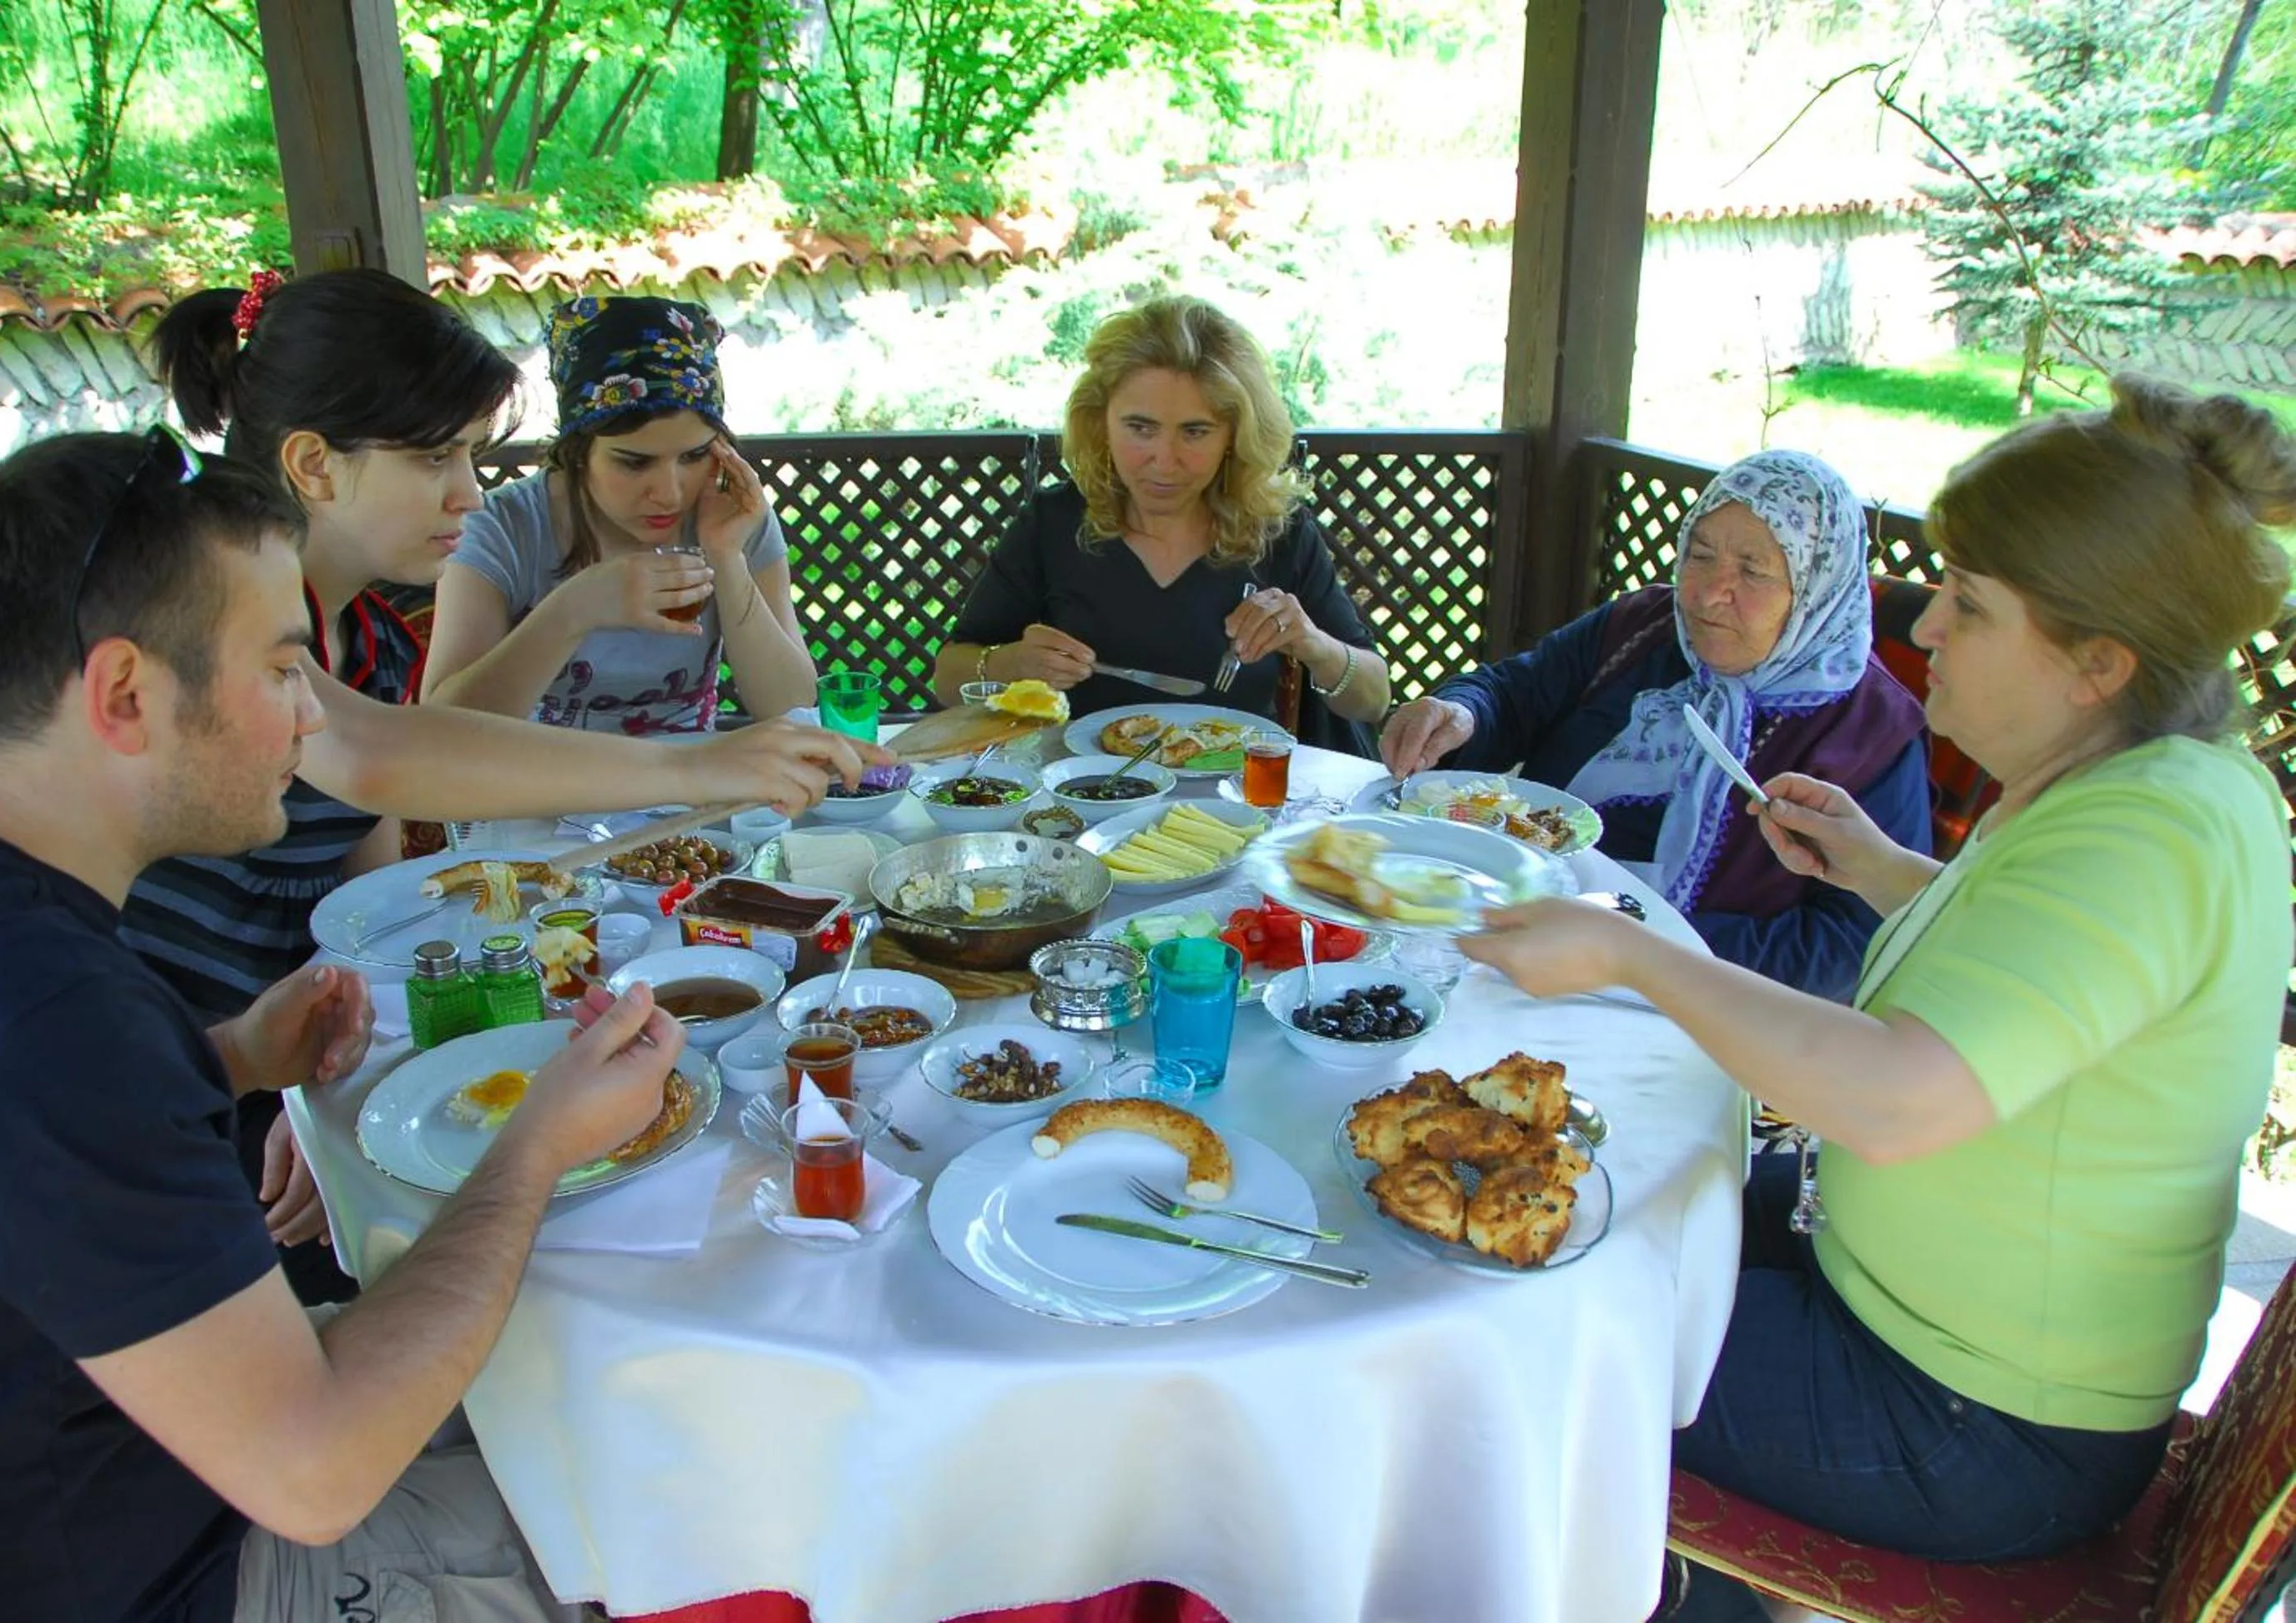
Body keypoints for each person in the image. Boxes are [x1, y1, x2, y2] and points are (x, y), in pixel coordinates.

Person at [1455, 378, 2295, 1623]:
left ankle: (1685, 1600)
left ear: (2098, 663)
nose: (1928, 625)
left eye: (1970, 603)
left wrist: (1637, 957)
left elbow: (1897, 1103)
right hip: (1904, 1317)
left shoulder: (2146, 836)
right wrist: (1881, 869)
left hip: (1967, 1423)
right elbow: (2035, 971)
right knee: (1576, 1177)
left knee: (1527, 1316)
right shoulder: (2152, 788)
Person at [0, 430, 690, 1621]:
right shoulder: (49, 1020)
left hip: (91, 1458)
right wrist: (538, 1144)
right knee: (687, 1504)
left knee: (587, 1380)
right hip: (186, 1569)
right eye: (278, 669)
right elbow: (318, 1473)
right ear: (124, 694)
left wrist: (226, 1058)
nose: (311, 718)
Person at [124, 271, 874, 1297]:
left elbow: (368, 879)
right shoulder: (217, 602)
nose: (471, 493)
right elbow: (382, 755)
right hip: (147, 1066)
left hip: (262, 1043)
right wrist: (698, 763)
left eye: (472, 457)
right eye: (437, 457)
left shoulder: (367, 632)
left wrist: (321, 1076)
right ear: (312, 463)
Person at [1380, 449, 1929, 999]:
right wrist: (1463, 713)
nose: (1709, 593)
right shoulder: (1641, 627)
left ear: (1816, 589)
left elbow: (1849, 945)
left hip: (1700, 1006)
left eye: (1752, 571)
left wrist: (1638, 949)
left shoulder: (1872, 730)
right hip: (1515, 937)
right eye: (1701, 555)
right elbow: (1515, 692)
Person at [931, 294, 1390, 746]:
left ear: (1235, 436)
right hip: (1082, 785)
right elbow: (947, 677)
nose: (1165, 461)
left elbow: (1374, 700)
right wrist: (1012, 664)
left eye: (1195, 432)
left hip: (1234, 790)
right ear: (1101, 423)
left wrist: (1314, 645)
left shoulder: (1278, 531)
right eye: (1140, 428)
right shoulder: (1052, 524)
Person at [423, 296, 818, 731]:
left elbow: (792, 706)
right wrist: (572, 611)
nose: (669, 494)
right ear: (576, 453)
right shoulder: (500, 528)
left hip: (694, 769)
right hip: (540, 772)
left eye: (693, 456)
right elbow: (445, 729)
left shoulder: (733, 517)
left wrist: (727, 558)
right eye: (635, 463)